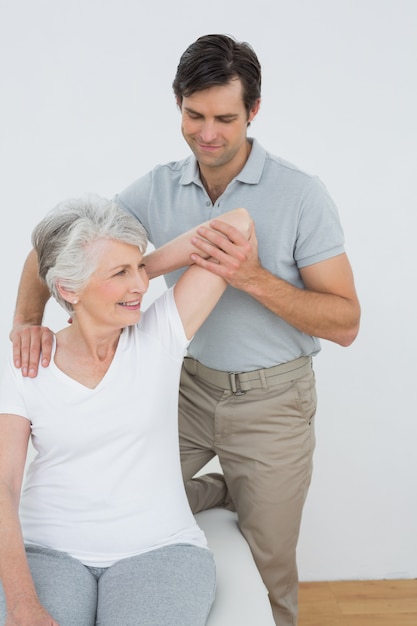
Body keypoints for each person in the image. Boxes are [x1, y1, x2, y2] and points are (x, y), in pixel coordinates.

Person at [9, 35, 361, 625]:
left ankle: (241, 504)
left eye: (225, 117)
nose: (208, 133)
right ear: (178, 106)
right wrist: (33, 319)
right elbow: (62, 246)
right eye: (194, 116)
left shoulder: (301, 195)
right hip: (186, 387)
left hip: (272, 399)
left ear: (253, 111)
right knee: (110, 491)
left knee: (269, 554)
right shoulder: (156, 188)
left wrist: (251, 278)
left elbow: (347, 323)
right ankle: (217, 489)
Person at [0, 195, 252, 626]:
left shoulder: (161, 333)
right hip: (48, 551)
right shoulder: (26, 362)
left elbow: (239, 224)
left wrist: (133, 265)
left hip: (160, 552)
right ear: (68, 288)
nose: (141, 285)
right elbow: (3, 487)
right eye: (120, 273)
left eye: (140, 269)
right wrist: (23, 605)